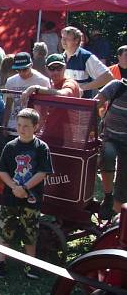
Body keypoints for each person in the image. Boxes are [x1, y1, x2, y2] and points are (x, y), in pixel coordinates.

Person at [0, 108, 53, 280]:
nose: (22, 129)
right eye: (19, 125)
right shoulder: (10, 146)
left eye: (26, 126)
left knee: (30, 232)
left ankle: (31, 264)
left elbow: (42, 172)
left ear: (36, 126)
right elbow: (2, 170)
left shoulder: (41, 148)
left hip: (32, 198)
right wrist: (14, 186)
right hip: (10, 197)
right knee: (4, 230)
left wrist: (25, 188)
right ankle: (1, 262)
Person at [95, 78, 127, 219]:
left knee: (124, 177)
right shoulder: (117, 86)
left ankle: (118, 216)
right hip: (109, 136)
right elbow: (94, 104)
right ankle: (108, 196)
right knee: (107, 154)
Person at [2, 52, 50, 138]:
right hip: (13, 128)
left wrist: (41, 126)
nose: (21, 73)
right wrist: (5, 124)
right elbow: (8, 105)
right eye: (18, 70)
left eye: (24, 69)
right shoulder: (10, 81)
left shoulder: (43, 81)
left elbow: (45, 108)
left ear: (31, 65)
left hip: (33, 129)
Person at [61, 26, 112, 98]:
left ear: (76, 40)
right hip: (63, 103)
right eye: (62, 38)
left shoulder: (86, 57)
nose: (63, 41)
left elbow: (108, 77)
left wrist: (82, 88)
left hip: (81, 104)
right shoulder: (60, 57)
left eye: (67, 39)